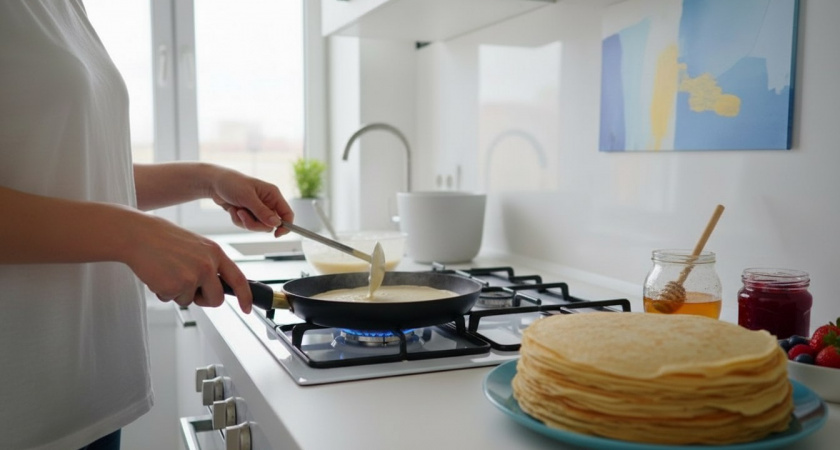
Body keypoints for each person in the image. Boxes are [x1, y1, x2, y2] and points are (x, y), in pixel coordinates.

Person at [0, 1, 295, 449]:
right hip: (22, 413)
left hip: (89, 398)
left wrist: (207, 179)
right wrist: (132, 235)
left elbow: (85, 174)